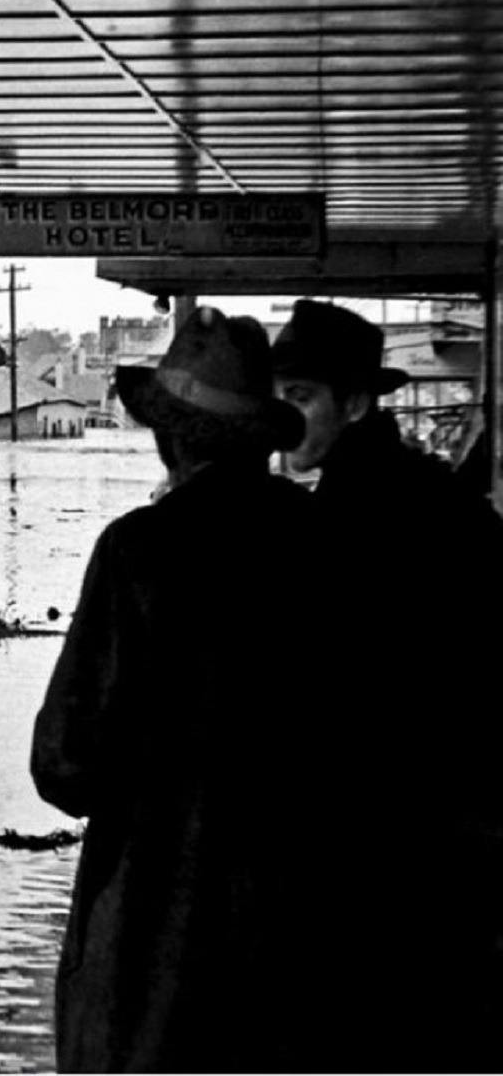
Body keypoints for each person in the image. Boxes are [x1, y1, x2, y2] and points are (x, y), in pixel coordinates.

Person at [30, 307, 328, 1072]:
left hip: (149, 962)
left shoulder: (138, 553)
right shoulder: (332, 550)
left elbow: (64, 762)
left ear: (171, 435)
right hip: (298, 957)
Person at [271, 298, 503, 1071]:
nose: (282, 420)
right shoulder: (433, 498)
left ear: (358, 403)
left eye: (300, 400)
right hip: (448, 857)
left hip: (388, 865)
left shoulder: (347, 519)